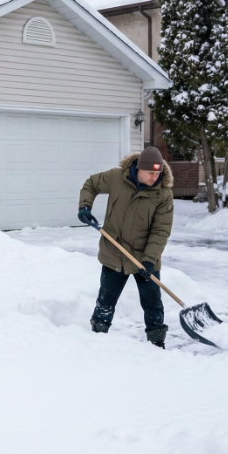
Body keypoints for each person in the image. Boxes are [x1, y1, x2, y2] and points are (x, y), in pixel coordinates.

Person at [77, 146, 174, 347]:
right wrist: (85, 207)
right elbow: (90, 184)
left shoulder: (163, 195)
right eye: (150, 173)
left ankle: (157, 345)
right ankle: (97, 338)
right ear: (139, 168)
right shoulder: (116, 178)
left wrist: (149, 260)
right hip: (115, 252)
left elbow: (160, 231)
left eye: (158, 173)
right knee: (106, 300)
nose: (154, 177)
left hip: (145, 257)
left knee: (153, 304)